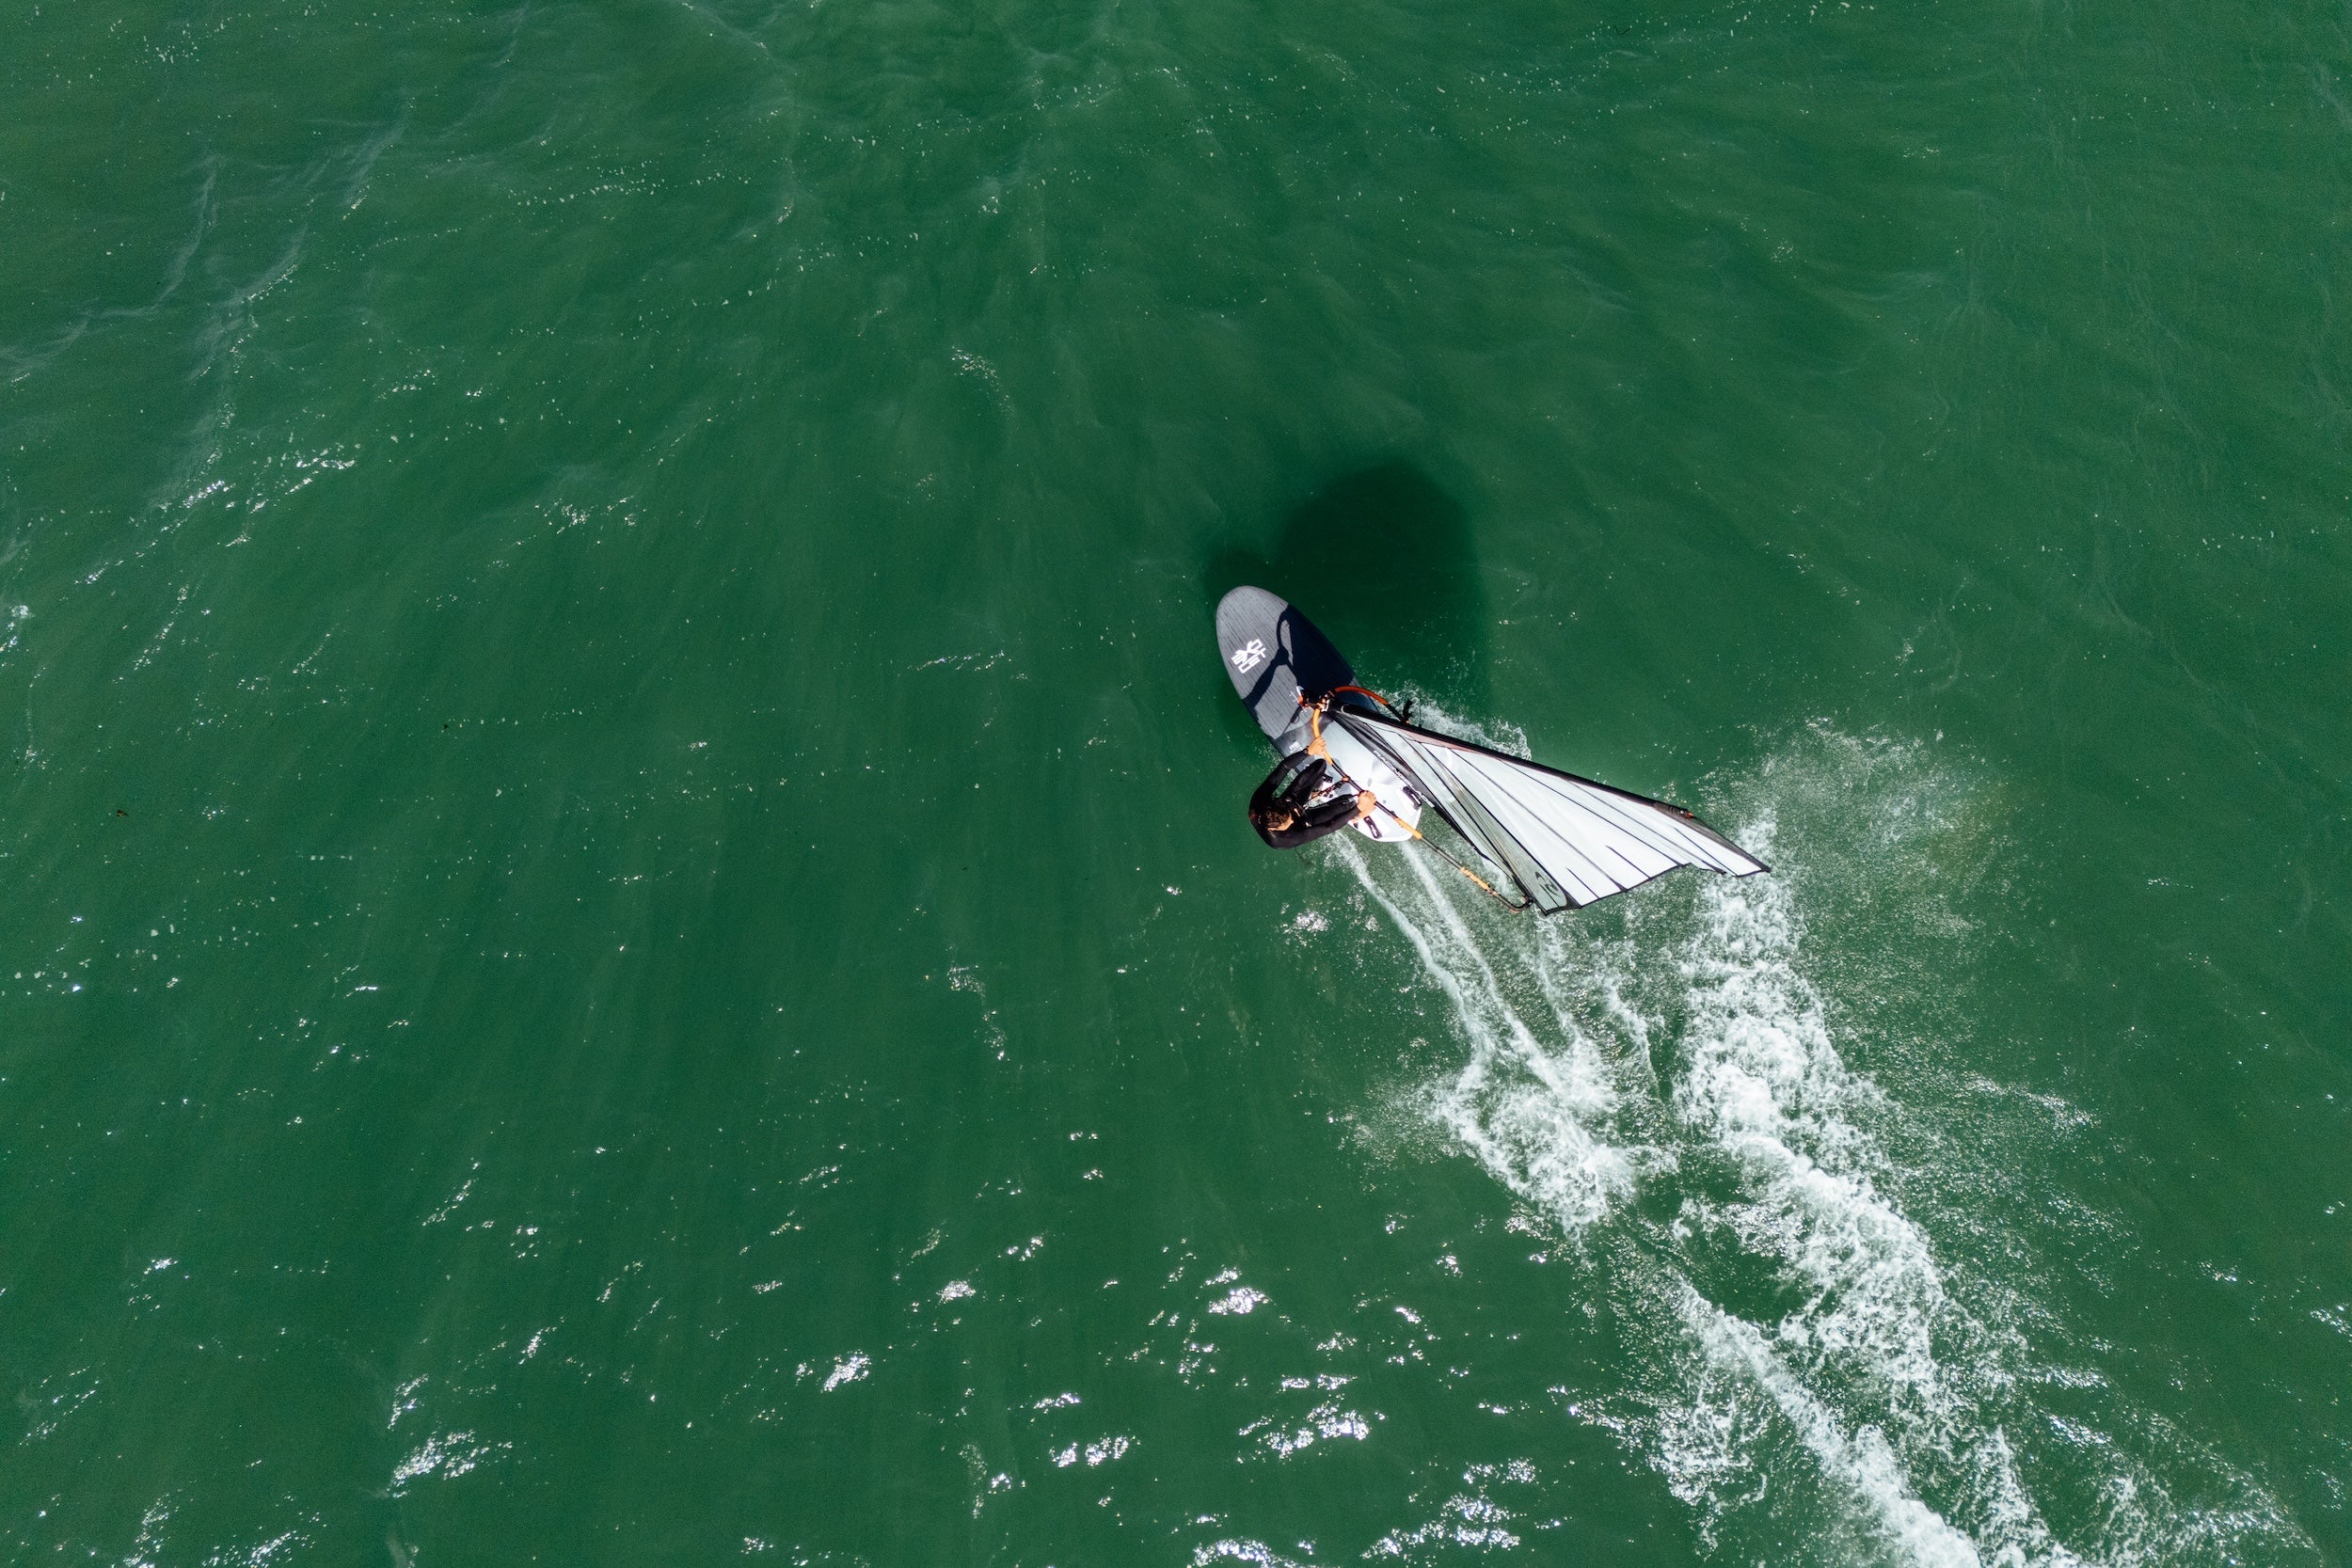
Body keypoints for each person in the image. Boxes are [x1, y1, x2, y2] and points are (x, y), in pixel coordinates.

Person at [1248, 751, 1377, 849]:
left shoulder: (1258, 803)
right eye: (1288, 823)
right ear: (1274, 829)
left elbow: (1283, 767)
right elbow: (1329, 827)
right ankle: (1358, 816)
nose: (1291, 820)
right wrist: (1359, 808)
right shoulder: (1285, 839)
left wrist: (1307, 751)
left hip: (1289, 801)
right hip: (1304, 822)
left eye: (1289, 817)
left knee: (1319, 765)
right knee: (1347, 804)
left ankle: (1316, 791)